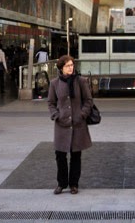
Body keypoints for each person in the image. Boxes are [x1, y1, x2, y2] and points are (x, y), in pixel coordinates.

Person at [47, 55, 93, 195]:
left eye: (72, 65)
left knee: (76, 155)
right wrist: (56, 115)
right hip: (62, 125)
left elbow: (88, 100)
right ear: (61, 68)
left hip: (77, 124)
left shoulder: (81, 81)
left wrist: (82, 114)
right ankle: (61, 183)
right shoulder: (54, 83)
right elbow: (51, 102)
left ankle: (74, 184)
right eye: (67, 66)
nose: (70, 68)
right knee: (60, 155)